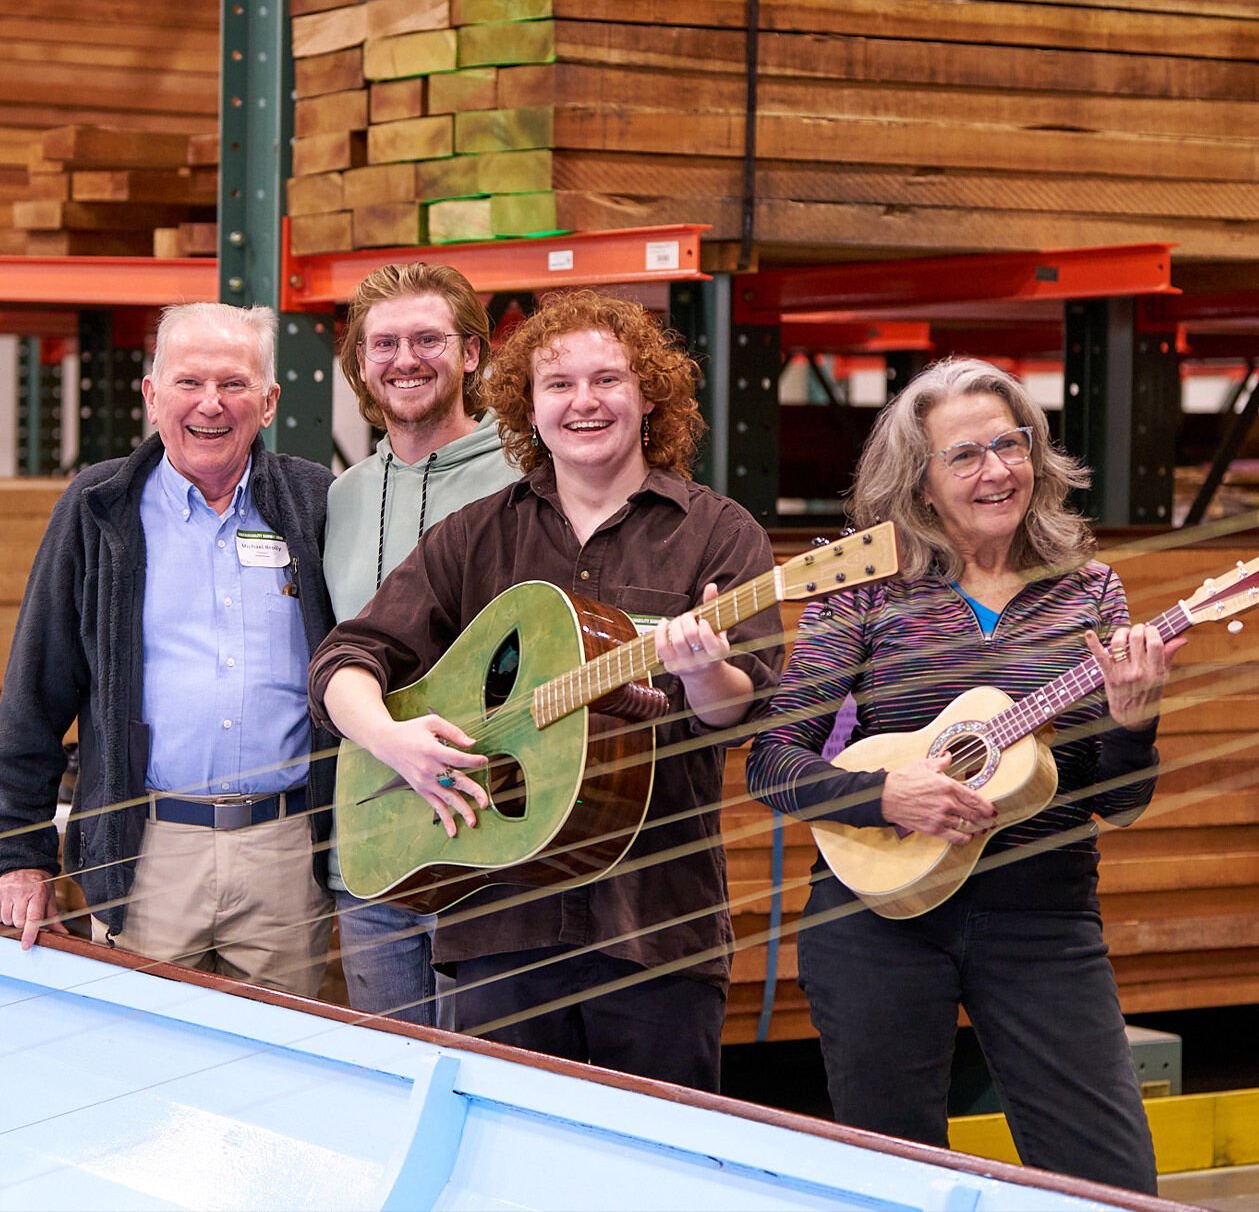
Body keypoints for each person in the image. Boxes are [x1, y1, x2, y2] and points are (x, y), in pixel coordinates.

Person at [309, 289, 782, 1090]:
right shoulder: (477, 533)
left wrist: (704, 668)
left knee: (655, 1150)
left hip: (655, 922)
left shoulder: (718, 533)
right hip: (500, 922)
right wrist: (392, 740)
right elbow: (348, 656)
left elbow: (742, 710)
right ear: (527, 406)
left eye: (607, 380)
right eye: (558, 384)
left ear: (648, 395)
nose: (583, 402)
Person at [746, 356, 1184, 1193]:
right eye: (965, 455)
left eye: (1010, 445)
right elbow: (772, 762)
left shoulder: (1088, 592)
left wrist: (1134, 723)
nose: (997, 470)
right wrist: (884, 794)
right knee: (892, 1182)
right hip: (876, 917)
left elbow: (1117, 801)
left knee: (1110, 1180)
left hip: (1040, 915)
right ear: (919, 481)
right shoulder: (863, 591)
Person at [0, 302, 336, 997]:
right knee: (139, 1053)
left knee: (281, 1057)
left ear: (269, 402)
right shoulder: (99, 507)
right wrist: (19, 855)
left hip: (284, 853)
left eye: (234, 383)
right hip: (145, 852)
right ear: (152, 396)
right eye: (189, 382)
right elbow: (35, 693)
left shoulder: (316, 504)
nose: (210, 404)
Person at [325, 263, 515, 1028]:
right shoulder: (343, 496)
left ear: (470, 353)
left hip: (492, 845)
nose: (405, 359)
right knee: (386, 1075)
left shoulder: (526, 476)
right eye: (384, 343)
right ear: (360, 361)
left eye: (428, 339)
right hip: (371, 856)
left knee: (489, 1075)